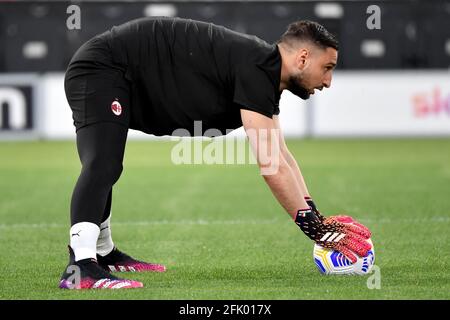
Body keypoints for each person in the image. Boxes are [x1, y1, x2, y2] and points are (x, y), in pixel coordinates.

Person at [60, 17, 371, 290]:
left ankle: (103, 252)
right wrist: (314, 229)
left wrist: (317, 218)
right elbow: (271, 166)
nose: (328, 81)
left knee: (108, 162)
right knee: (103, 162)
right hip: (104, 67)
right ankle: (81, 266)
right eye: (327, 68)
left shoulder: (264, 71)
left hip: (127, 75)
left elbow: (281, 156)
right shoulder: (258, 67)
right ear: (303, 57)